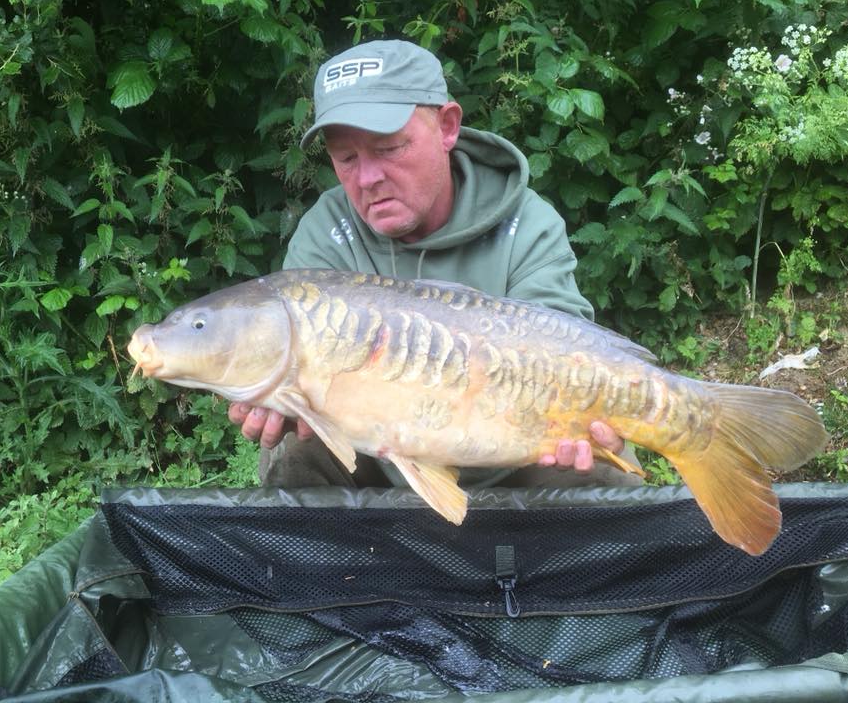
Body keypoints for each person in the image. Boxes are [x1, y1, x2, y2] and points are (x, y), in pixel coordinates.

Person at [229, 39, 641, 489]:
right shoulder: (326, 232)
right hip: (382, 468)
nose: (367, 178)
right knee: (294, 447)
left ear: (447, 126)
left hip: (519, 454)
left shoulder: (528, 221)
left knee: (598, 469)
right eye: (346, 158)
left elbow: (567, 354)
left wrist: (580, 416)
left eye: (388, 148)